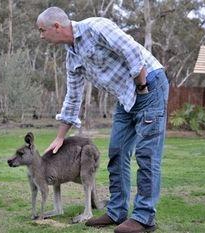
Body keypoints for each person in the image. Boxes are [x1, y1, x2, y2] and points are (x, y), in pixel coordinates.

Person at [37, 6, 169, 233]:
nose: (41, 36)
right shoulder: (72, 56)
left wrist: (141, 84)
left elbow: (131, 50)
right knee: (117, 152)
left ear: (56, 27)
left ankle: (144, 217)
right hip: (126, 96)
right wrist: (60, 137)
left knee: (147, 155)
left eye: (42, 31)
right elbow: (73, 96)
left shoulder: (96, 27)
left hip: (149, 85)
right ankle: (117, 211)